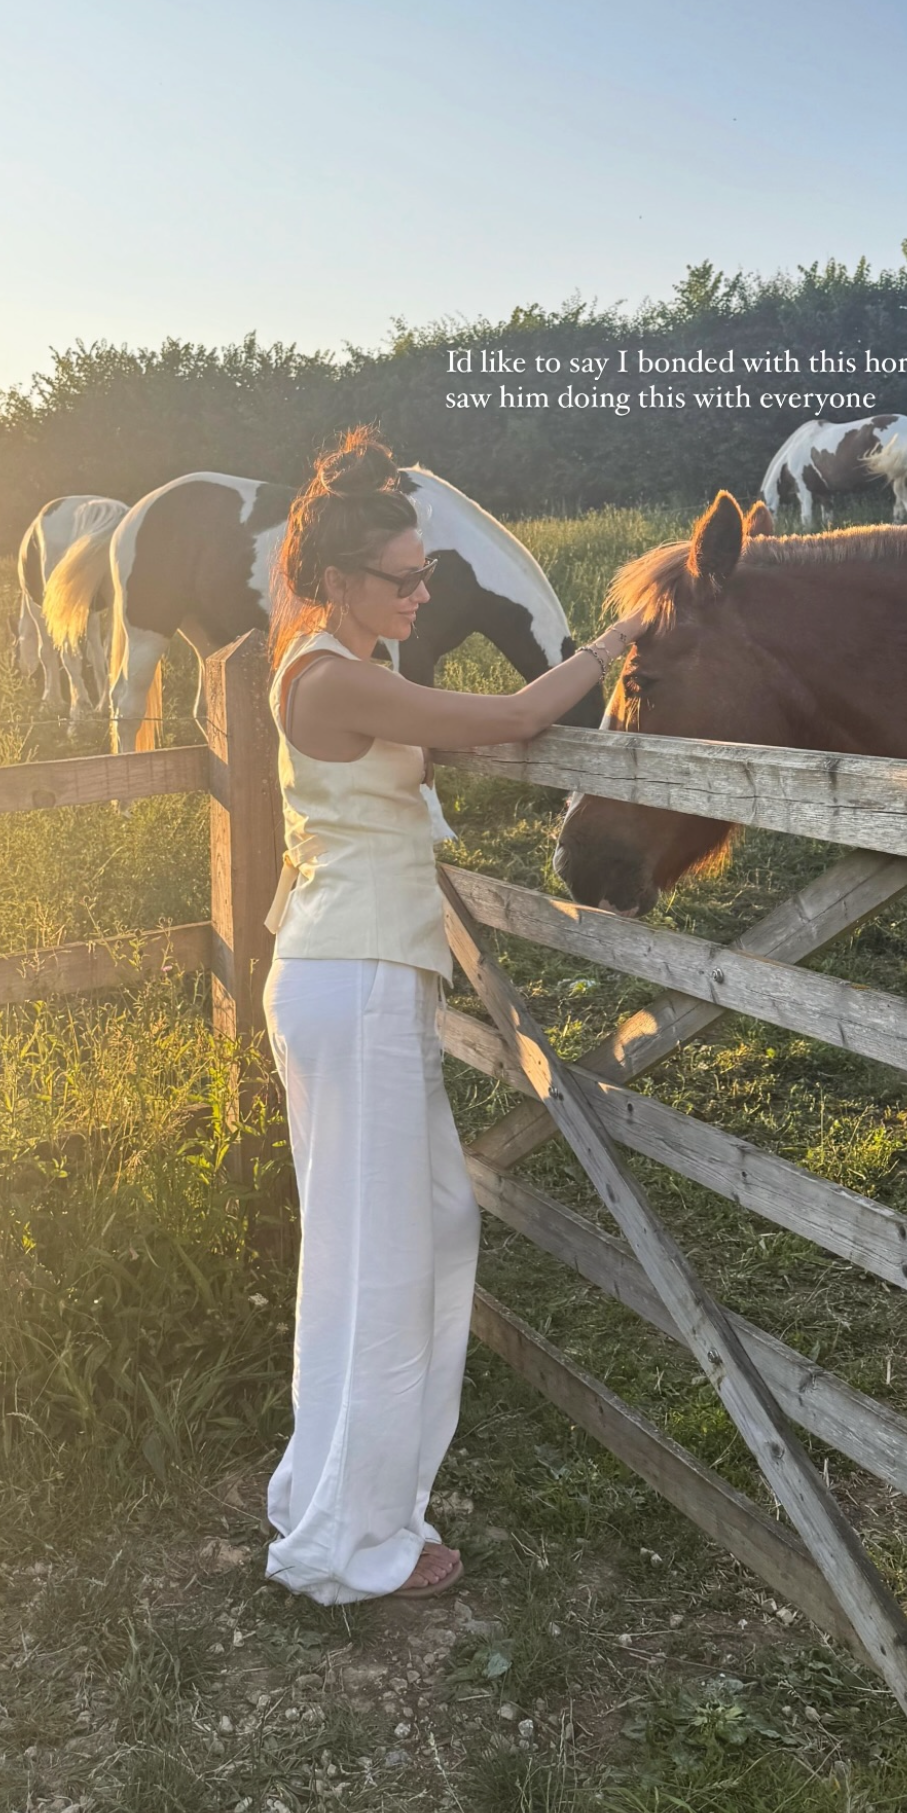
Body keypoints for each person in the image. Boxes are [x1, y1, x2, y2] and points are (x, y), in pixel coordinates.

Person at [262, 427, 650, 1603]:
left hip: (355, 970)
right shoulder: (332, 673)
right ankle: (351, 1545)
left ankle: (338, 1491)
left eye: (427, 576)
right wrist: (626, 637)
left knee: (416, 1232)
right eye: (403, 579)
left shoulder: (328, 661)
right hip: (361, 977)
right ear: (336, 579)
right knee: (381, 1258)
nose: (422, 596)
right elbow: (513, 716)